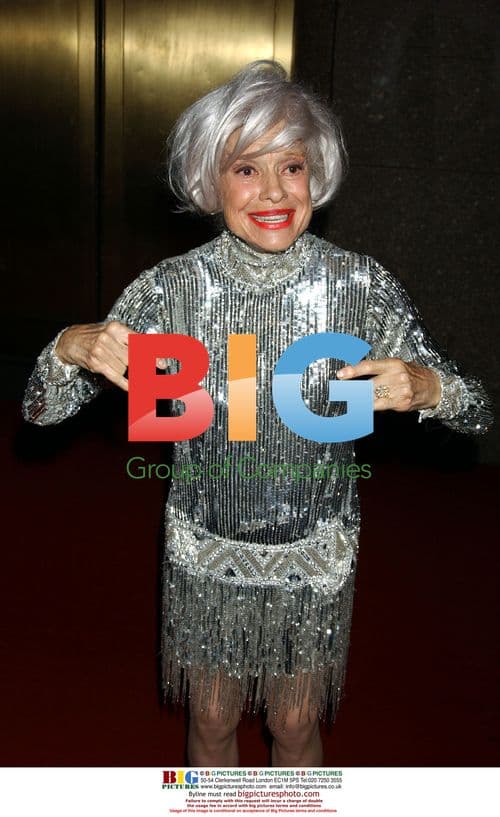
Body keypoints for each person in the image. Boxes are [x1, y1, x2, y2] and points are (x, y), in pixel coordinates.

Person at [23, 61, 492, 767]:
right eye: (246, 168)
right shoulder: (168, 291)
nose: (273, 191)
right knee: (211, 723)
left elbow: (480, 411)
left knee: (295, 723)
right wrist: (66, 347)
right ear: (210, 182)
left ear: (317, 175)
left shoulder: (359, 285)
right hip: (204, 556)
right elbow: (40, 409)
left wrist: (432, 389)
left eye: (292, 166)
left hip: (315, 561)